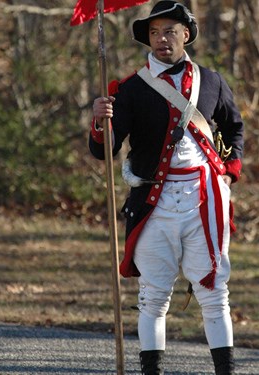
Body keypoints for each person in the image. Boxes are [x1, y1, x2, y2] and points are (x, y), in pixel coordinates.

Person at [89, 1, 244, 374]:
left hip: (204, 200)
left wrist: (229, 172)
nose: (162, 39)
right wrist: (100, 121)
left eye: (170, 31)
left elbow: (234, 127)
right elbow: (103, 151)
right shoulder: (128, 89)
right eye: (155, 33)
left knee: (213, 293)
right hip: (153, 203)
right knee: (153, 297)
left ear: (185, 35)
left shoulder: (213, 81)